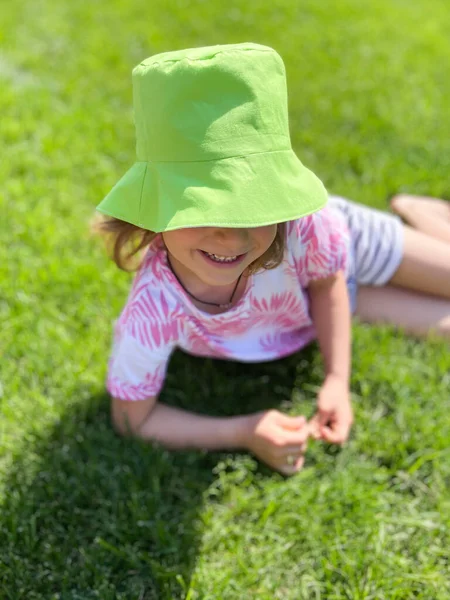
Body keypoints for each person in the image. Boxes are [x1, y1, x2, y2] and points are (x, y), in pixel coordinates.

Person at [92, 43, 450, 476]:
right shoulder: (152, 309)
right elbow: (132, 419)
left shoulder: (301, 223)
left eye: (254, 204)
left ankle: (421, 213)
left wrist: (337, 378)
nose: (232, 234)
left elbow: (327, 281)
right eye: (200, 206)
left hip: (346, 248)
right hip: (306, 299)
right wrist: (243, 431)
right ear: (156, 209)